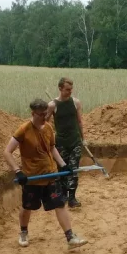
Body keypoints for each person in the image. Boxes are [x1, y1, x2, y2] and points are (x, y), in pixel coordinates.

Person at [3, 98, 89, 249]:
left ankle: (70, 237)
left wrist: (63, 165)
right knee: (27, 206)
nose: (44, 117)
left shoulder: (48, 128)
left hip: (50, 174)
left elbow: (52, 148)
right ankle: (23, 232)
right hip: (32, 178)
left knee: (60, 204)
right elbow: (7, 152)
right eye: (41, 114)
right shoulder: (24, 130)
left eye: (46, 114)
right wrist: (18, 171)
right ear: (33, 113)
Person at [46, 77, 86, 209]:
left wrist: (83, 138)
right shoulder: (52, 105)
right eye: (67, 90)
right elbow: (45, 123)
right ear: (60, 88)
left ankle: (72, 198)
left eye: (71, 89)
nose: (70, 92)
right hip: (61, 143)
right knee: (63, 170)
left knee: (73, 170)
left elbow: (79, 121)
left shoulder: (76, 103)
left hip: (75, 141)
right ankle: (62, 195)